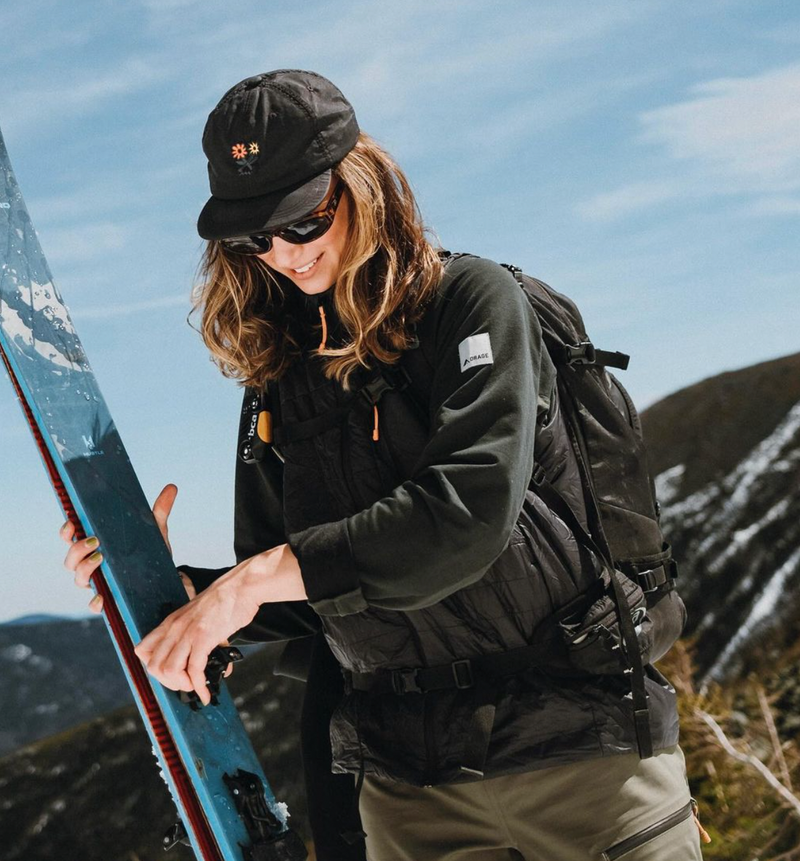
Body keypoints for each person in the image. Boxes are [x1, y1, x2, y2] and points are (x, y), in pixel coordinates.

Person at [62, 69, 704, 861]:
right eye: (254, 238)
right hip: (411, 791)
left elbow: (466, 516)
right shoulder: (282, 372)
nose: (284, 255)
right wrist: (187, 591)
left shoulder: (473, 301)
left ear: (361, 183)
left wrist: (249, 584)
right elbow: (310, 587)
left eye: (303, 221)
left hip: (583, 763)